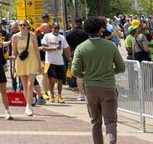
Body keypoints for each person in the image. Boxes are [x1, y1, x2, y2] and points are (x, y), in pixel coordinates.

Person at [71, 16, 126, 144]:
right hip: (108, 87)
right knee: (110, 122)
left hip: (90, 88)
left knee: (95, 122)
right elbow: (121, 67)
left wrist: (86, 75)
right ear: (101, 29)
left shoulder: (81, 48)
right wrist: (109, 73)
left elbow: (75, 71)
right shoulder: (110, 46)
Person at [11, 19, 42, 117]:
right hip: (21, 62)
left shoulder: (32, 35)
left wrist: (40, 64)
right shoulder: (15, 37)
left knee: (30, 84)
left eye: (24, 25)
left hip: (32, 61)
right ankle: (28, 105)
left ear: (27, 26)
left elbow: (37, 50)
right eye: (20, 25)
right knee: (24, 85)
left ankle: (29, 106)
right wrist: (13, 66)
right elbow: (14, 52)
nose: (23, 27)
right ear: (18, 26)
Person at [42, 23, 70, 104]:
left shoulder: (62, 37)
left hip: (60, 61)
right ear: (52, 28)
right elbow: (43, 48)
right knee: (52, 79)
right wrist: (54, 48)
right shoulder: (47, 36)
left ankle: (59, 96)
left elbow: (66, 49)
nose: (56, 29)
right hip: (50, 61)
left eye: (57, 28)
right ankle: (51, 94)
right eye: (54, 28)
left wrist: (69, 59)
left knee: (60, 80)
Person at [66, 18, 90, 101]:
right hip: (85, 53)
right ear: (81, 23)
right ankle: (87, 92)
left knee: (78, 74)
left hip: (74, 53)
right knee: (86, 72)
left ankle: (81, 94)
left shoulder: (69, 33)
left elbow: (67, 46)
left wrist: (69, 58)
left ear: (74, 23)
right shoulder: (85, 33)